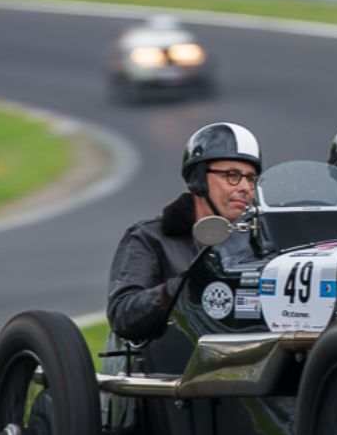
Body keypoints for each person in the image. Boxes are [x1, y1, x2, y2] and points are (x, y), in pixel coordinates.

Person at [106, 122, 261, 344]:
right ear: (198, 179)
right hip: (176, 365)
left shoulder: (261, 240)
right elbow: (123, 315)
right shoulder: (150, 237)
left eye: (251, 178)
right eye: (232, 175)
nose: (245, 187)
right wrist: (183, 286)